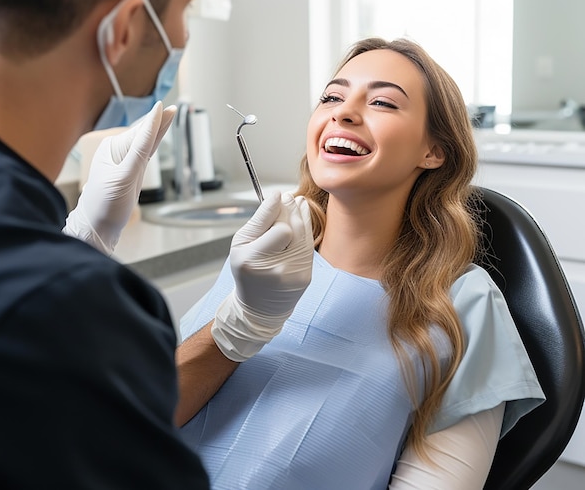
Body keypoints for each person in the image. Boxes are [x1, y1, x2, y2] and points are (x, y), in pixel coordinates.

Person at [0, 0, 313, 488]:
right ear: (124, 29)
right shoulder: (72, 314)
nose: (182, 34)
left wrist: (79, 240)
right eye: (187, 5)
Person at [178, 37, 546, 490]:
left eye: (383, 102)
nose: (344, 112)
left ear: (433, 151)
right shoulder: (263, 259)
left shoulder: (463, 303)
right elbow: (134, 418)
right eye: (332, 97)